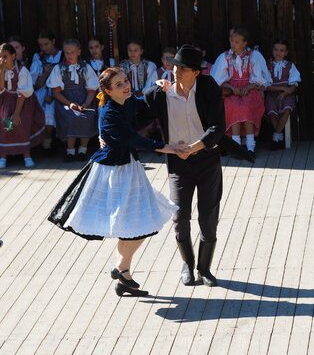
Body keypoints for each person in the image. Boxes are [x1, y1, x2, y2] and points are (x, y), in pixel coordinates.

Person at [48, 67, 185, 297]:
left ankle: (123, 272)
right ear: (108, 91)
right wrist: (170, 148)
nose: (126, 86)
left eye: (125, 80)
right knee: (138, 224)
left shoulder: (126, 101)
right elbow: (134, 139)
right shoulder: (110, 112)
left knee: (137, 225)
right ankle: (122, 272)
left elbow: (141, 103)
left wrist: (159, 87)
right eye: (119, 84)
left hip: (129, 168)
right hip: (111, 173)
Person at [139, 45, 226, 287]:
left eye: (182, 67)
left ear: (196, 72)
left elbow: (218, 127)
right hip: (178, 163)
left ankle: (205, 269)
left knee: (208, 215)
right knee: (180, 215)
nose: (176, 70)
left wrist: (195, 147)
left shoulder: (208, 88)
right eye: (175, 65)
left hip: (207, 159)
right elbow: (134, 112)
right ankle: (187, 263)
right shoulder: (161, 94)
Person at [210, 27, 269, 157]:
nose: (233, 44)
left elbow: (261, 78)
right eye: (232, 41)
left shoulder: (254, 55)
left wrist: (248, 87)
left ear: (245, 43)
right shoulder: (225, 57)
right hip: (232, 90)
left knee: (247, 107)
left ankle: (250, 146)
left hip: (250, 88)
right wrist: (231, 88)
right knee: (233, 106)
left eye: (237, 42)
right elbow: (217, 79)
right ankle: (235, 145)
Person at [47, 38, 99, 162]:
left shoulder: (86, 68)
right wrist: (70, 104)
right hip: (65, 101)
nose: (69, 56)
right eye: (67, 53)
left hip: (84, 100)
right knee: (71, 117)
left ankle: (82, 150)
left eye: (72, 52)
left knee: (88, 115)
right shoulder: (59, 69)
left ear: (79, 52)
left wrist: (86, 103)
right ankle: (70, 151)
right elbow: (56, 92)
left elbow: (92, 89)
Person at [0, 43, 45, 168]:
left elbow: (23, 93)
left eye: (5, 56)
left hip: (22, 102)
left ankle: (27, 155)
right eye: (0, 57)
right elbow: (1, 88)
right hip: (4, 100)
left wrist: (16, 113)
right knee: (4, 125)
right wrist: (1, 70)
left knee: (21, 125)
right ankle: (3, 156)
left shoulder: (22, 70)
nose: (2, 60)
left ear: (13, 56)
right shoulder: (1, 69)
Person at [30, 29, 63, 153]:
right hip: (42, 91)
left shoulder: (63, 56)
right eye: (41, 45)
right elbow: (35, 85)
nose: (44, 48)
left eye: (46, 44)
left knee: (50, 112)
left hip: (59, 91)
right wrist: (46, 73)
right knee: (40, 109)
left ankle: (49, 142)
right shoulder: (38, 58)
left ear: (53, 41)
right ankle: (41, 143)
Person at [265, 39, 301, 150]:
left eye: (282, 50)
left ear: (286, 53)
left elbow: (293, 87)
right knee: (271, 112)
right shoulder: (267, 65)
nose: (278, 53)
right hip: (272, 94)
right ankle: (278, 136)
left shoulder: (290, 66)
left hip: (286, 95)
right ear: (272, 50)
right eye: (276, 50)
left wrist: (285, 93)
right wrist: (281, 88)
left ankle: (276, 137)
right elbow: (266, 86)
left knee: (286, 110)